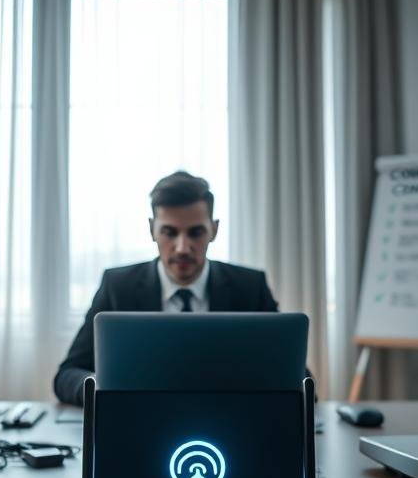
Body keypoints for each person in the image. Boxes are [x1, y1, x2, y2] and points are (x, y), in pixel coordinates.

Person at [53, 170, 285, 405]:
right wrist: (103, 390)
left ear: (214, 230)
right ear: (152, 229)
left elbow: (296, 376)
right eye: (169, 232)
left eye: (195, 232)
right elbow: (67, 374)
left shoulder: (249, 287)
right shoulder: (118, 286)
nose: (182, 247)